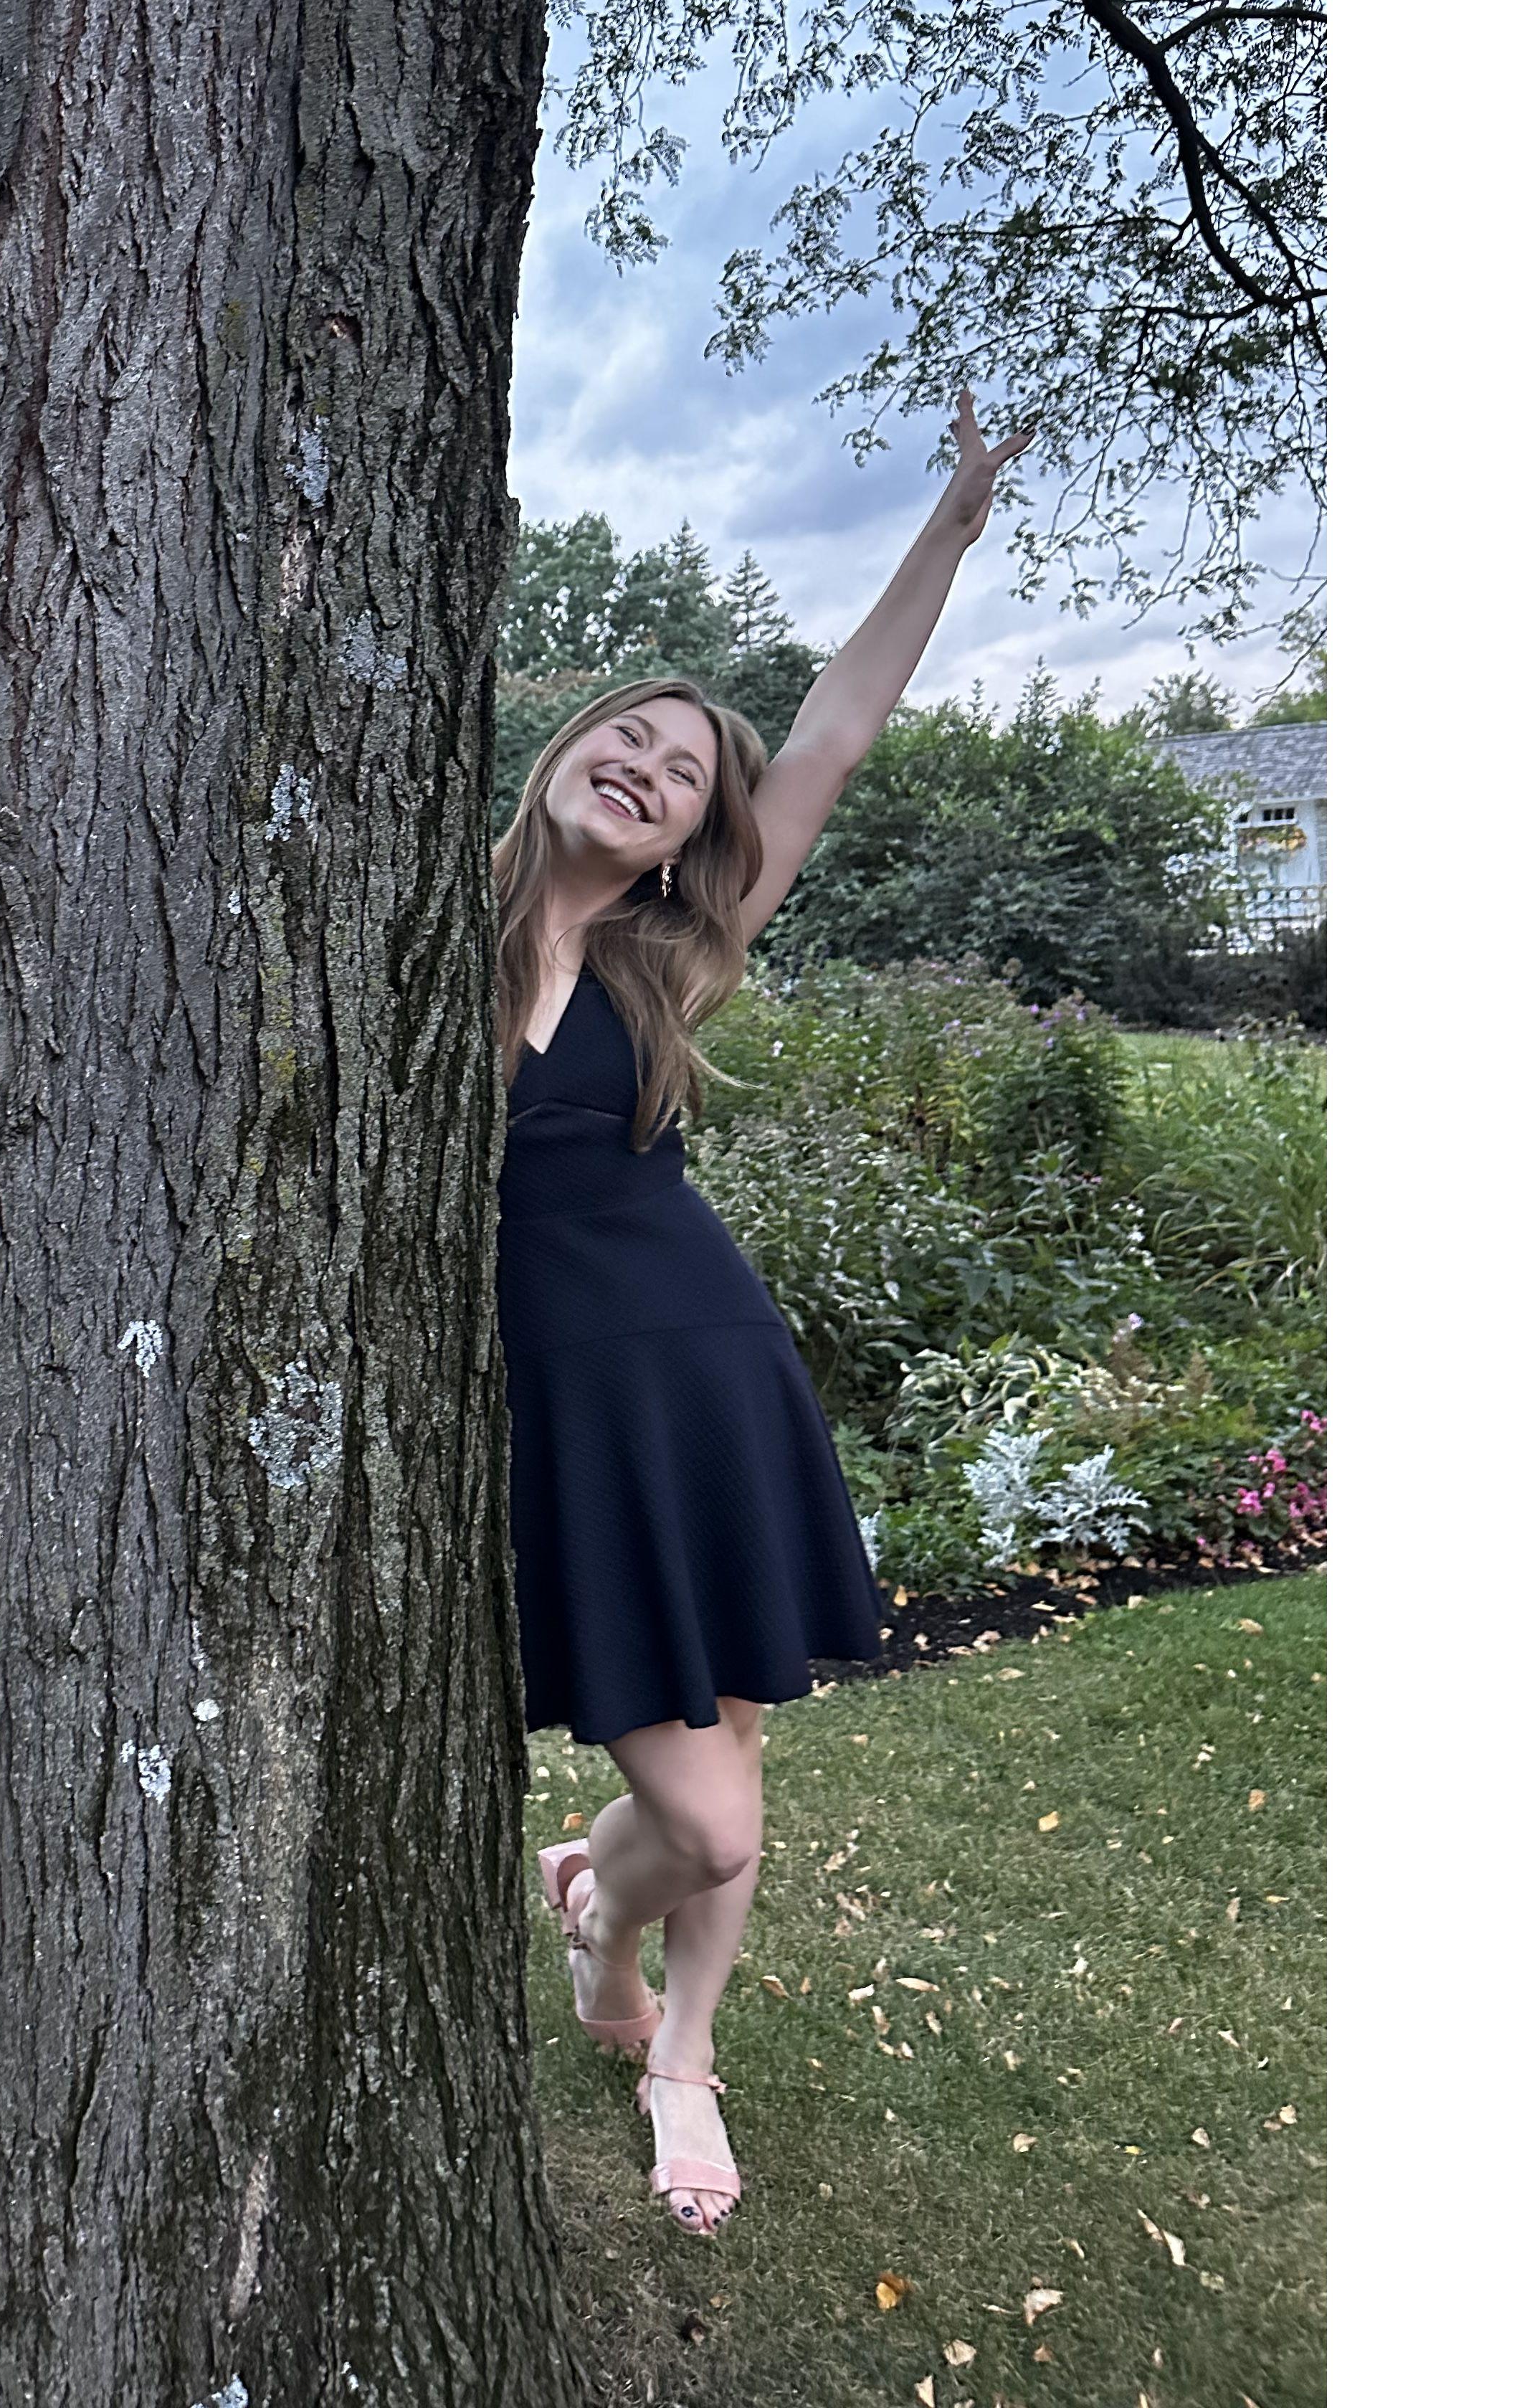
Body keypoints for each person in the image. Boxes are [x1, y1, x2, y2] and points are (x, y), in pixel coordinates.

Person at [503, 389, 1034, 2238]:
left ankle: (680, 2044)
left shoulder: (672, 952)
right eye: (629, 736)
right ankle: (601, 1917)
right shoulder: (418, 932)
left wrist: (946, 533)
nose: (651, 767)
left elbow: (832, 732)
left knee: (725, 1767)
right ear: (566, 751)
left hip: (712, 1372)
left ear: (685, 843)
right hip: (561, 1405)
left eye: (681, 775)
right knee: (703, 1804)